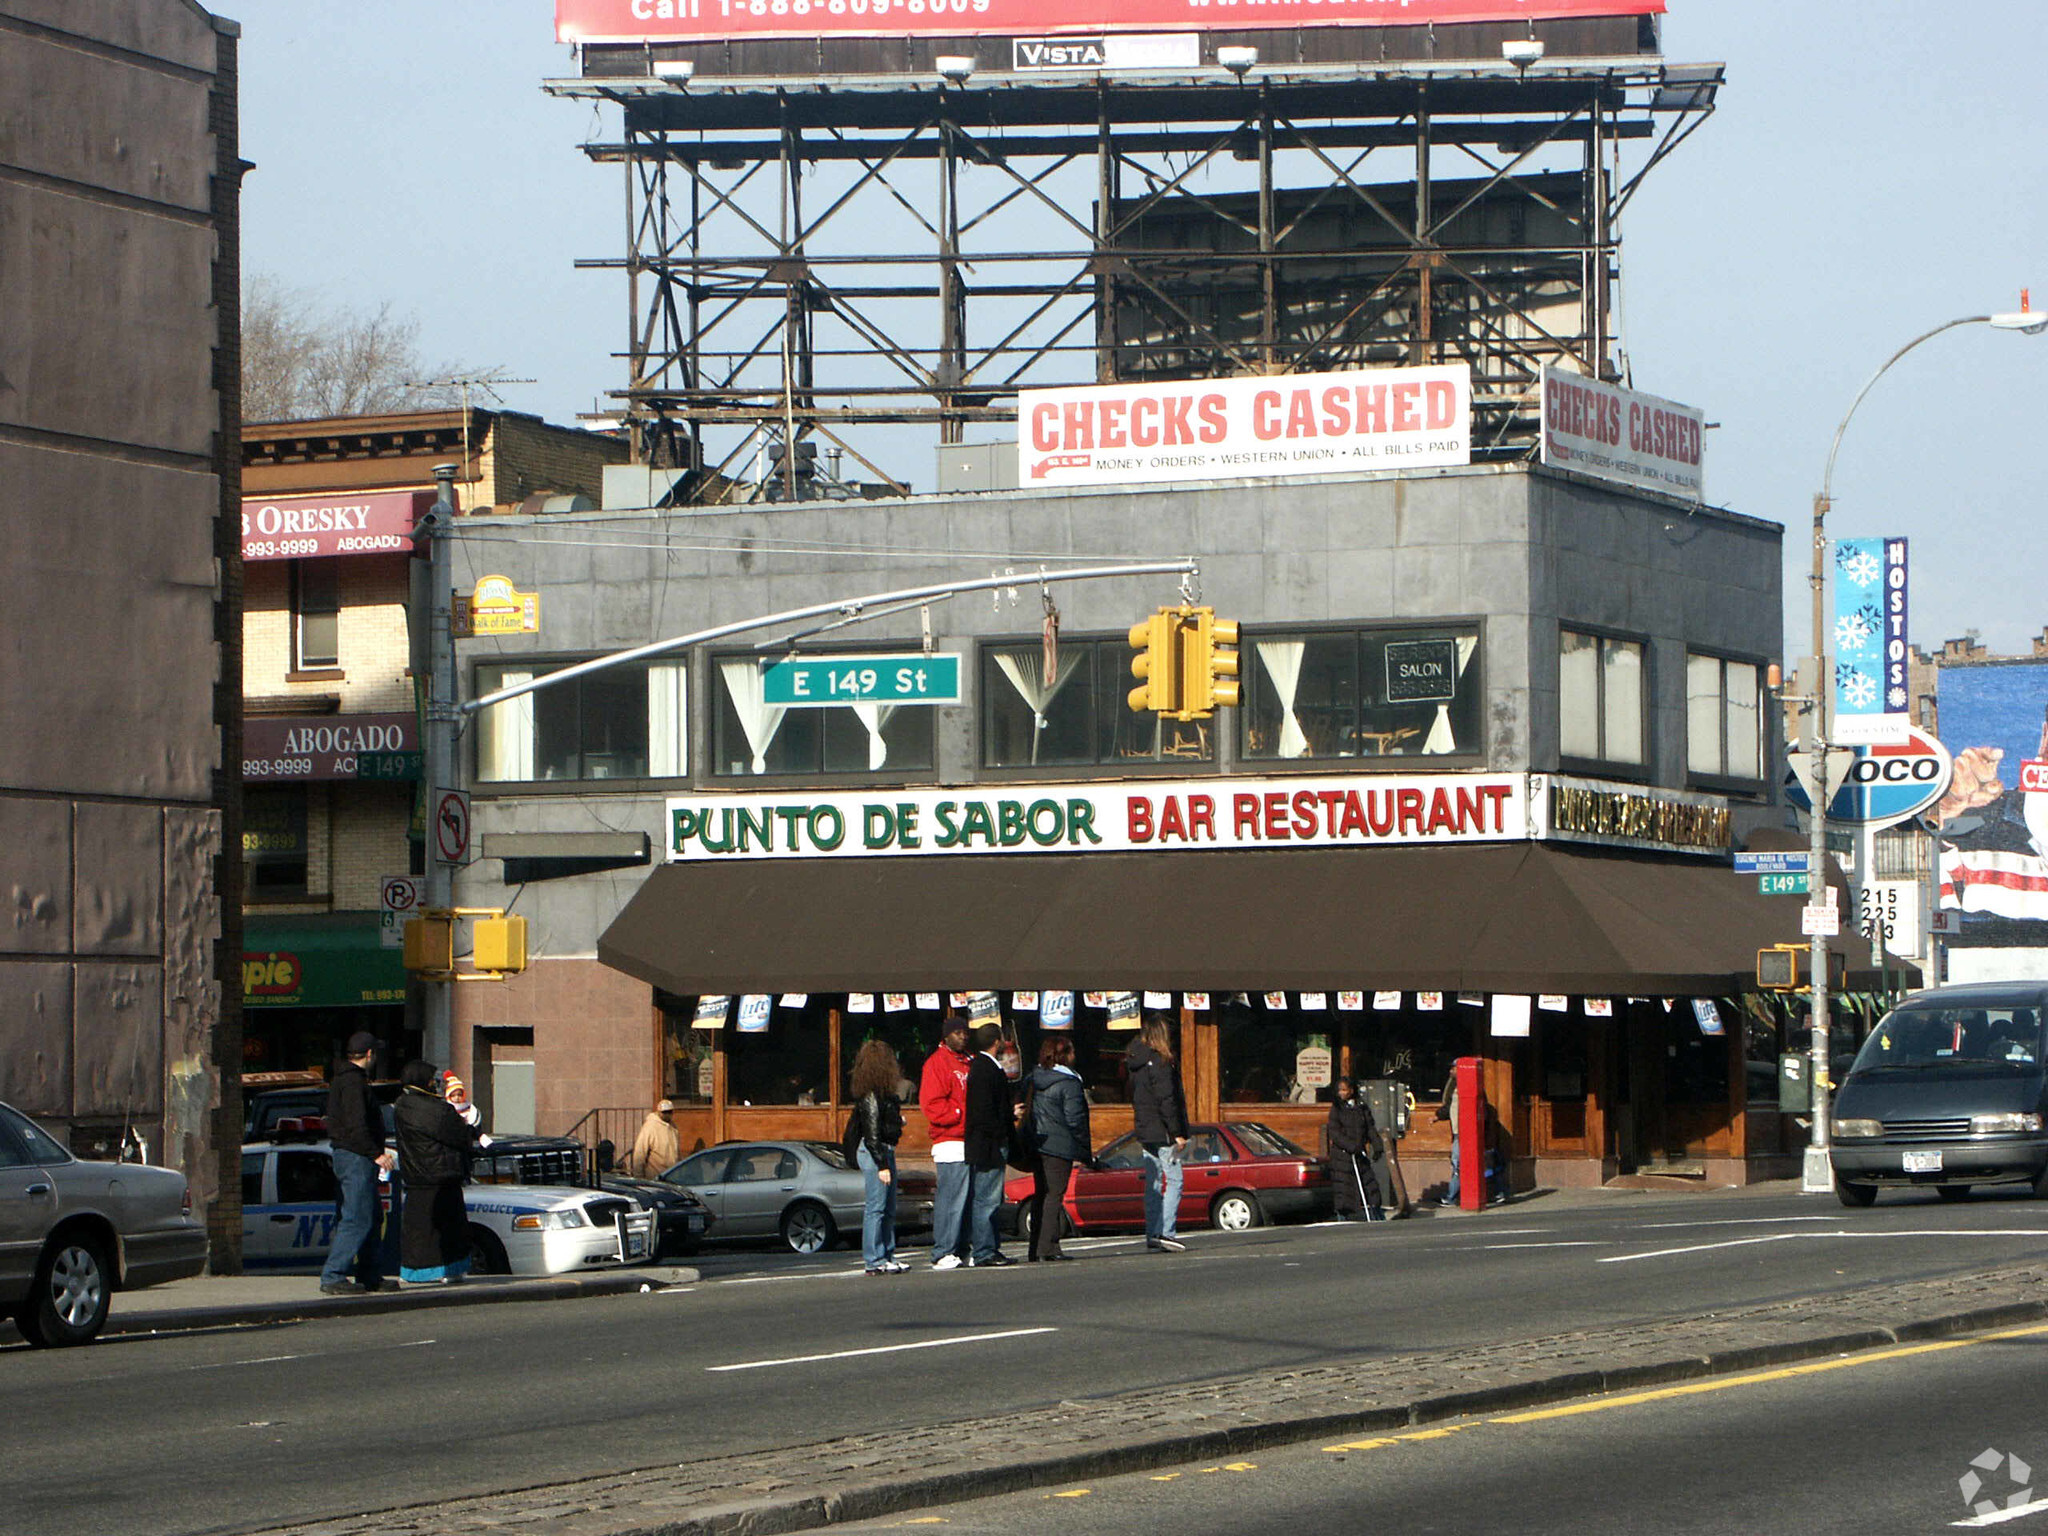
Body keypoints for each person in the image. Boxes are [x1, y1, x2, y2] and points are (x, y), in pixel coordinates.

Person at [393, 1059, 484, 1284]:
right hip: (441, 1174)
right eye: (432, 1080)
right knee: (448, 1228)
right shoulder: (435, 1109)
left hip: (415, 1176)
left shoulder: (402, 1105)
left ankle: (414, 1272)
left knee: (419, 1229)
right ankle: (446, 1270)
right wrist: (471, 1131)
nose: (435, 1084)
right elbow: (458, 1135)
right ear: (423, 1082)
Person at [319, 1030, 394, 1296]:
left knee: (372, 1216)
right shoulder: (352, 1083)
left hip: (352, 1155)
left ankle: (370, 1274)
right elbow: (356, 1125)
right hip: (356, 1157)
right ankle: (333, 1275)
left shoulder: (346, 1079)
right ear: (370, 1054)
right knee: (357, 1217)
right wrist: (376, 1153)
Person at [1026, 1036, 1091, 1262]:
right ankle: (1049, 1247)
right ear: (1065, 1055)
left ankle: (1036, 1247)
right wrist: (1083, 1146)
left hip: (1037, 1142)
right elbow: (1075, 1119)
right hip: (1059, 1144)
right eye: (1072, 1052)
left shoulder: (1034, 1078)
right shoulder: (1069, 1082)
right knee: (1054, 1196)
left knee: (1041, 1194)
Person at [1127, 1016, 1188, 1253]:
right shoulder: (1161, 1062)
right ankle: (1166, 1231)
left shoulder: (1137, 1062)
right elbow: (1167, 1099)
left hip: (1145, 1128)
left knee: (1152, 1182)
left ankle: (1153, 1232)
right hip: (1162, 1130)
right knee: (1174, 1180)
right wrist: (1177, 1132)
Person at [847, 1041, 908, 1275]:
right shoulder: (871, 1096)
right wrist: (882, 1164)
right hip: (877, 1152)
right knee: (877, 1207)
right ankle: (874, 1258)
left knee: (888, 1207)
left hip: (884, 1150)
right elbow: (871, 1135)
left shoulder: (882, 1096)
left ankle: (887, 1254)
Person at [919, 1014, 974, 1270]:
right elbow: (932, 1105)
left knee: (967, 1201)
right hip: (949, 1141)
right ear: (946, 1036)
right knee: (950, 1200)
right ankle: (942, 1251)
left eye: (965, 1032)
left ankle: (962, 1249)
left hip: (970, 1140)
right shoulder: (936, 1063)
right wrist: (960, 1114)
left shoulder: (969, 1062)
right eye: (957, 1032)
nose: (962, 1036)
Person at [1325, 1076, 1385, 1221]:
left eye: (1345, 1090)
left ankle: (1376, 1212)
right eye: (1340, 1090)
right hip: (1343, 1155)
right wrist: (1351, 1146)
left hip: (1359, 1153)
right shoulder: (1337, 1109)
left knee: (1370, 1184)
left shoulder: (1361, 1107)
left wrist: (1377, 1145)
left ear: (1352, 1090)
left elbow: (1370, 1127)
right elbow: (1334, 1132)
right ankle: (1343, 1217)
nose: (1342, 1093)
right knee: (1344, 1188)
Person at [629, 1098, 682, 1177]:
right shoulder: (650, 1127)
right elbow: (640, 1153)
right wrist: (639, 1176)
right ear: (659, 1112)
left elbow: (677, 1152)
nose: (667, 1114)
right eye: (664, 1112)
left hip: (671, 1175)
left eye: (669, 1112)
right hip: (655, 1176)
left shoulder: (673, 1127)